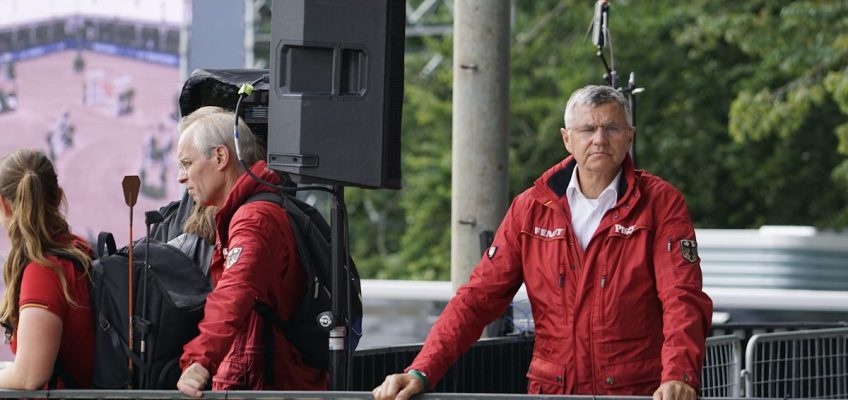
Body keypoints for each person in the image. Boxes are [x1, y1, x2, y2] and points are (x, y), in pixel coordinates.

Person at [373, 85, 713, 400]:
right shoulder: (531, 207)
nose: (599, 139)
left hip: (635, 392)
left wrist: (679, 375)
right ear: (567, 139)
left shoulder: (661, 203)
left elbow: (681, 298)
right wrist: (422, 369)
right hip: (552, 391)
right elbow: (477, 299)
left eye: (611, 128)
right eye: (586, 129)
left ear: (629, 137)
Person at [174, 106, 327, 397]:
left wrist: (199, 360)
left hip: (265, 386)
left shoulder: (254, 218)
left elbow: (235, 291)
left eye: (186, 163)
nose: (182, 178)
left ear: (220, 157)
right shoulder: (258, 208)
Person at [0, 149, 94, 389]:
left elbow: (30, 376)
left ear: (4, 205)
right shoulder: (78, 248)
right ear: (57, 196)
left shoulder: (44, 271)